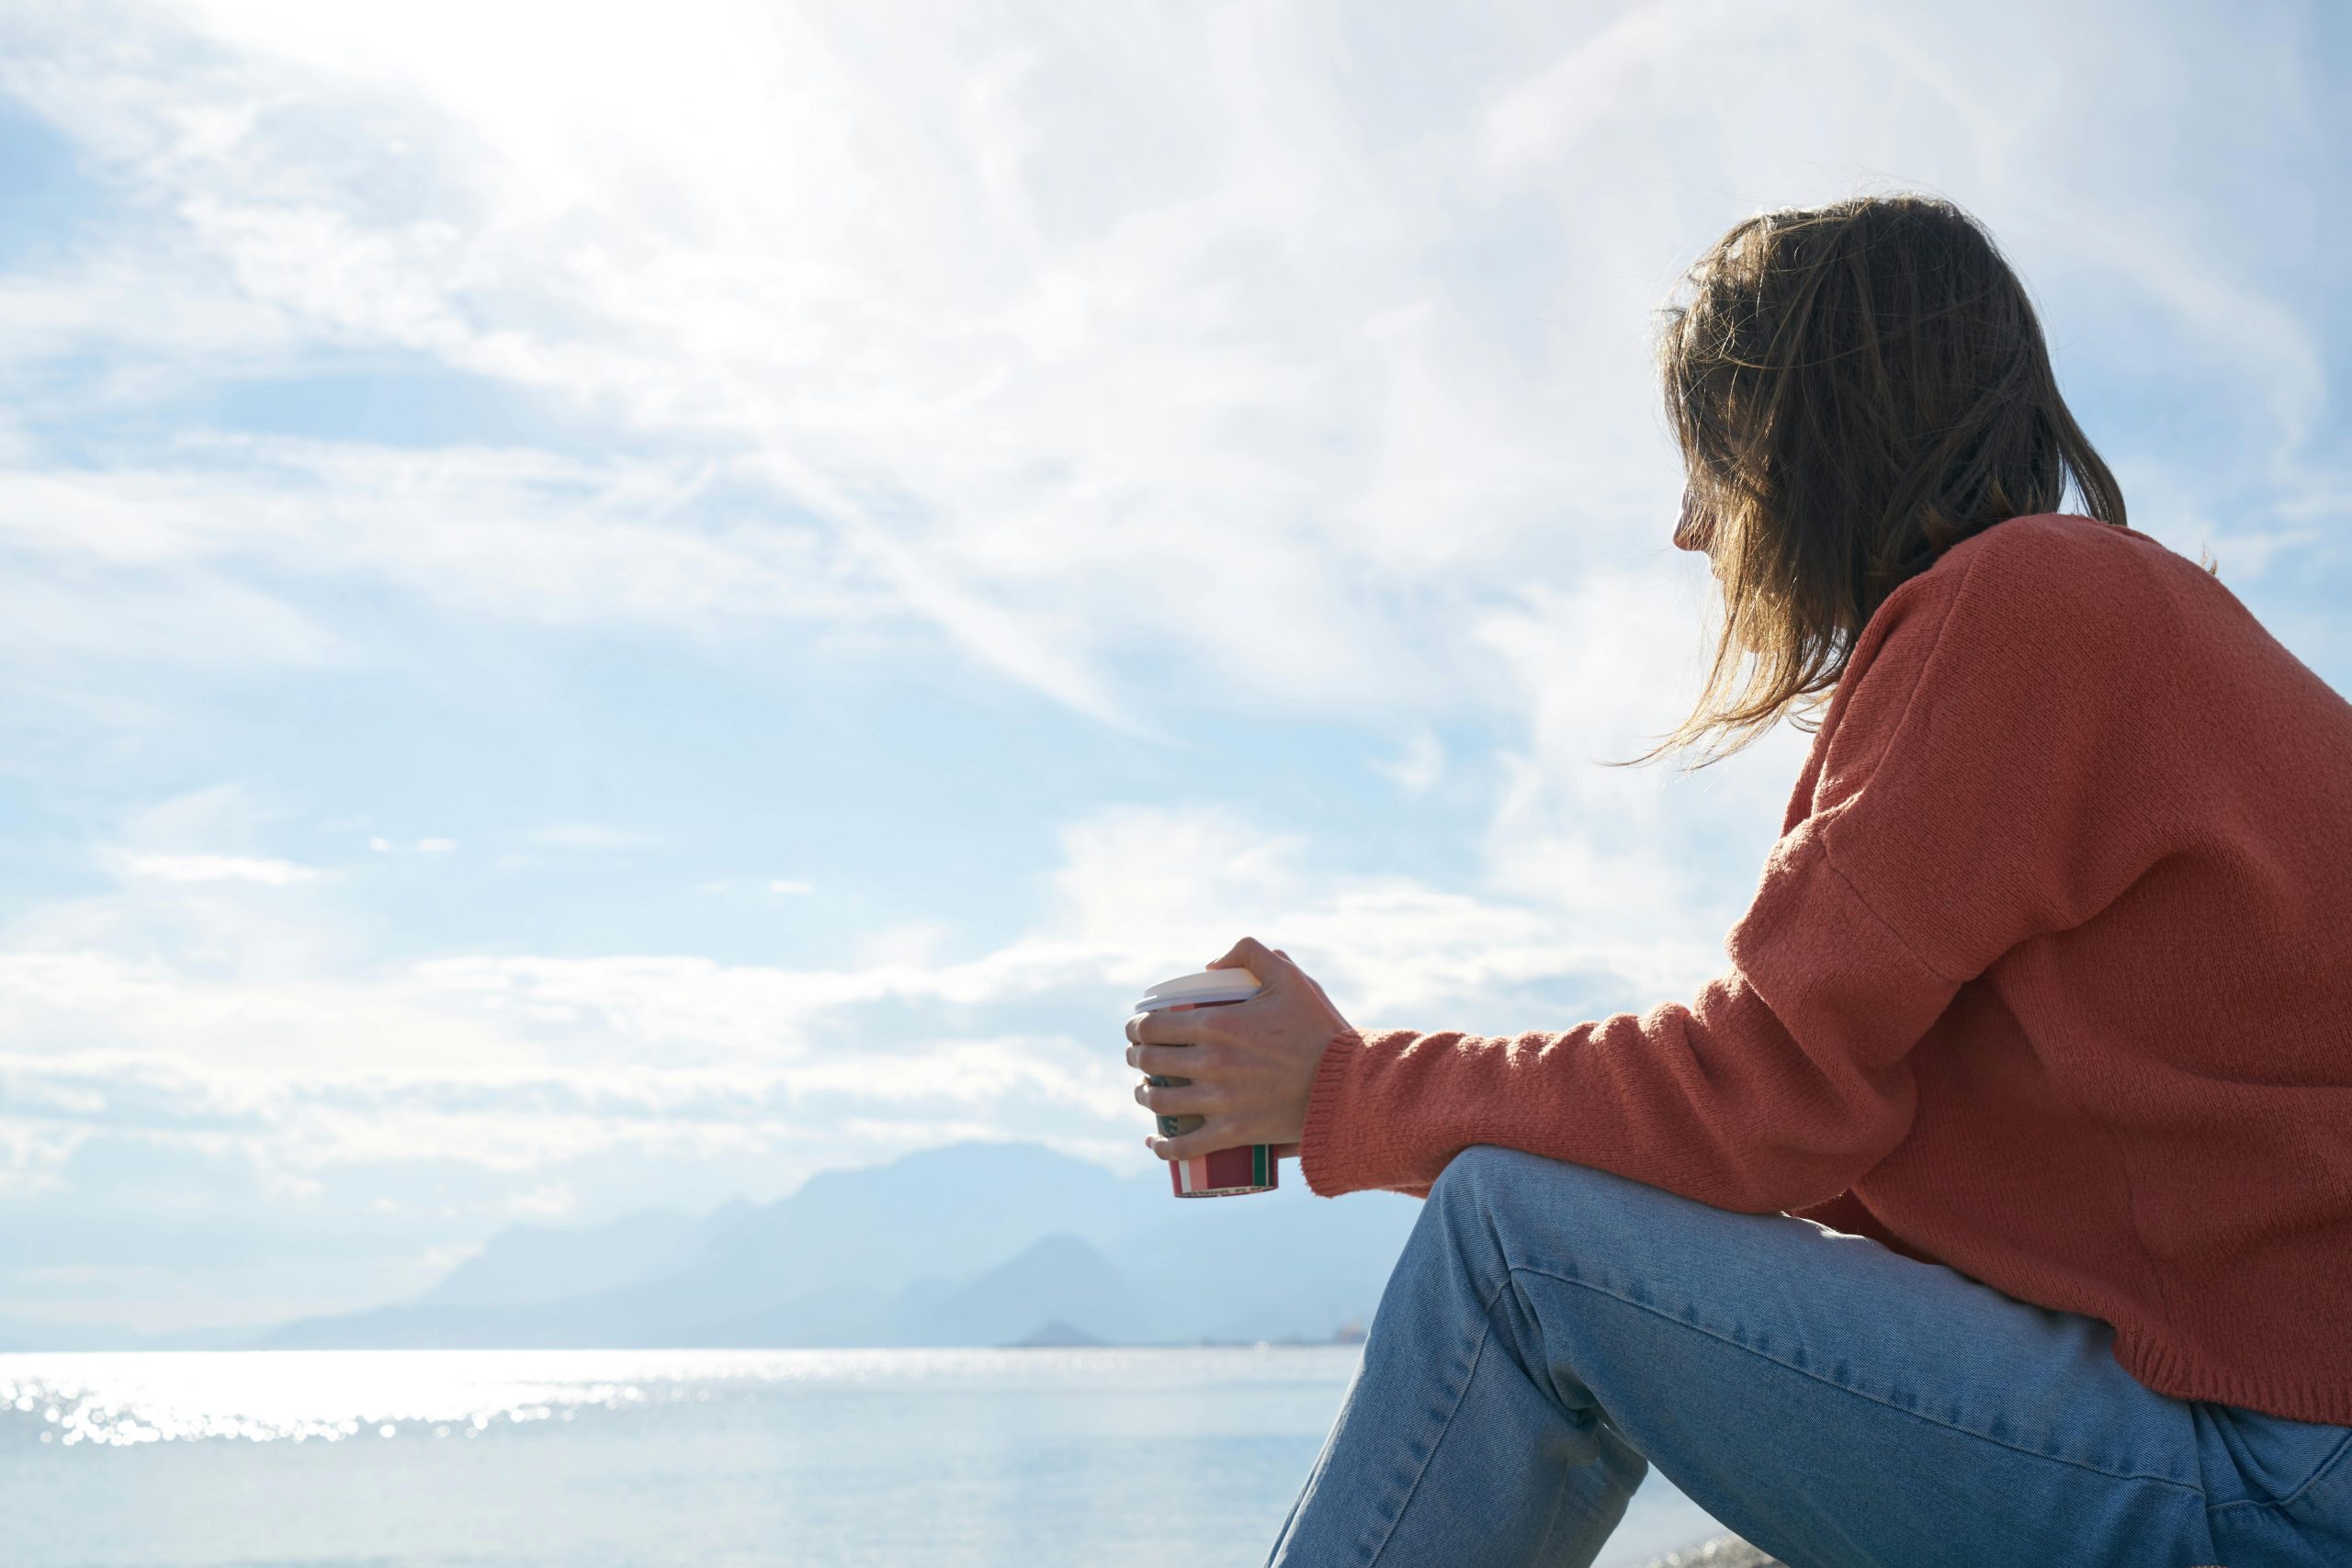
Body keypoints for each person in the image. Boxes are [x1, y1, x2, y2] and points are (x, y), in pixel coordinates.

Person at [1123, 195, 2352, 1568]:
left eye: (1710, 462)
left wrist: (1342, 1094)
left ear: (1800, 439)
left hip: (2284, 1471)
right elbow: (1826, 1119)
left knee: (1510, 1244)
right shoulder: (2126, 618)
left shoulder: (2016, 608)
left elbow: (1764, 1094)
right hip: (2291, 1425)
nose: (1692, 530)